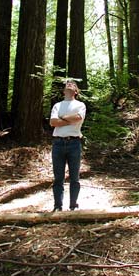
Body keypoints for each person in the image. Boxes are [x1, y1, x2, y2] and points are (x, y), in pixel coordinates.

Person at [50, 80, 86, 211]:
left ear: (76, 91)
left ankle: (73, 205)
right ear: (64, 91)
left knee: (74, 177)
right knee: (58, 177)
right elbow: (53, 122)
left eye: (73, 85)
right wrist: (69, 120)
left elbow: (78, 118)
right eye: (67, 85)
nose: (69, 85)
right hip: (58, 143)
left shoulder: (80, 105)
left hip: (74, 143)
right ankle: (57, 206)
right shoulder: (57, 106)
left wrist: (63, 118)